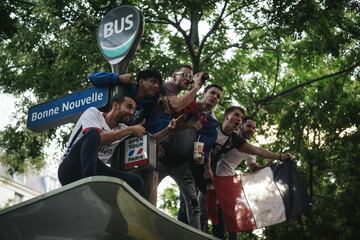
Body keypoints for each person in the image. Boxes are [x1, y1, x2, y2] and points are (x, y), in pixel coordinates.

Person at [204, 106, 292, 240]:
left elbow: (254, 163)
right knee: (206, 208)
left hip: (226, 180)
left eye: (253, 128)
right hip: (209, 175)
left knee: (228, 214)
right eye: (248, 126)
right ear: (240, 125)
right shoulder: (227, 134)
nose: (251, 129)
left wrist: (269, 164)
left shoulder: (244, 146)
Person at [157, 84, 222, 230]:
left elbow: (207, 145)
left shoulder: (211, 122)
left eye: (218, 97)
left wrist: (205, 163)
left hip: (183, 164)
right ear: (204, 93)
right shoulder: (186, 104)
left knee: (193, 202)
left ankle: (196, 233)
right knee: (147, 189)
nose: (215, 97)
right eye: (212, 93)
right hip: (162, 157)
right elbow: (166, 119)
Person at [57, 94, 145, 192]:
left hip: (97, 168)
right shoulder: (93, 113)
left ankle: (111, 204)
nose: (131, 112)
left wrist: (164, 133)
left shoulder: (124, 129)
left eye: (133, 109)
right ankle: (91, 181)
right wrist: (131, 129)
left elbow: (145, 140)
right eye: (129, 107)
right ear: (115, 105)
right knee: (93, 133)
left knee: (136, 181)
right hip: (71, 168)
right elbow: (99, 138)